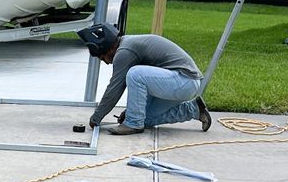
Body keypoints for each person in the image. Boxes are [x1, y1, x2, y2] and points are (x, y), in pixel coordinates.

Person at [77, 23, 211, 136]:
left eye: (102, 58)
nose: (106, 62)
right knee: (146, 118)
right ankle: (194, 110)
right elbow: (148, 83)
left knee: (135, 74)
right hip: (181, 83)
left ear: (109, 48)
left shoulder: (124, 52)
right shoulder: (127, 45)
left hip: (184, 80)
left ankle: (133, 124)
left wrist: (96, 117)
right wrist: (131, 111)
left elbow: (115, 88)